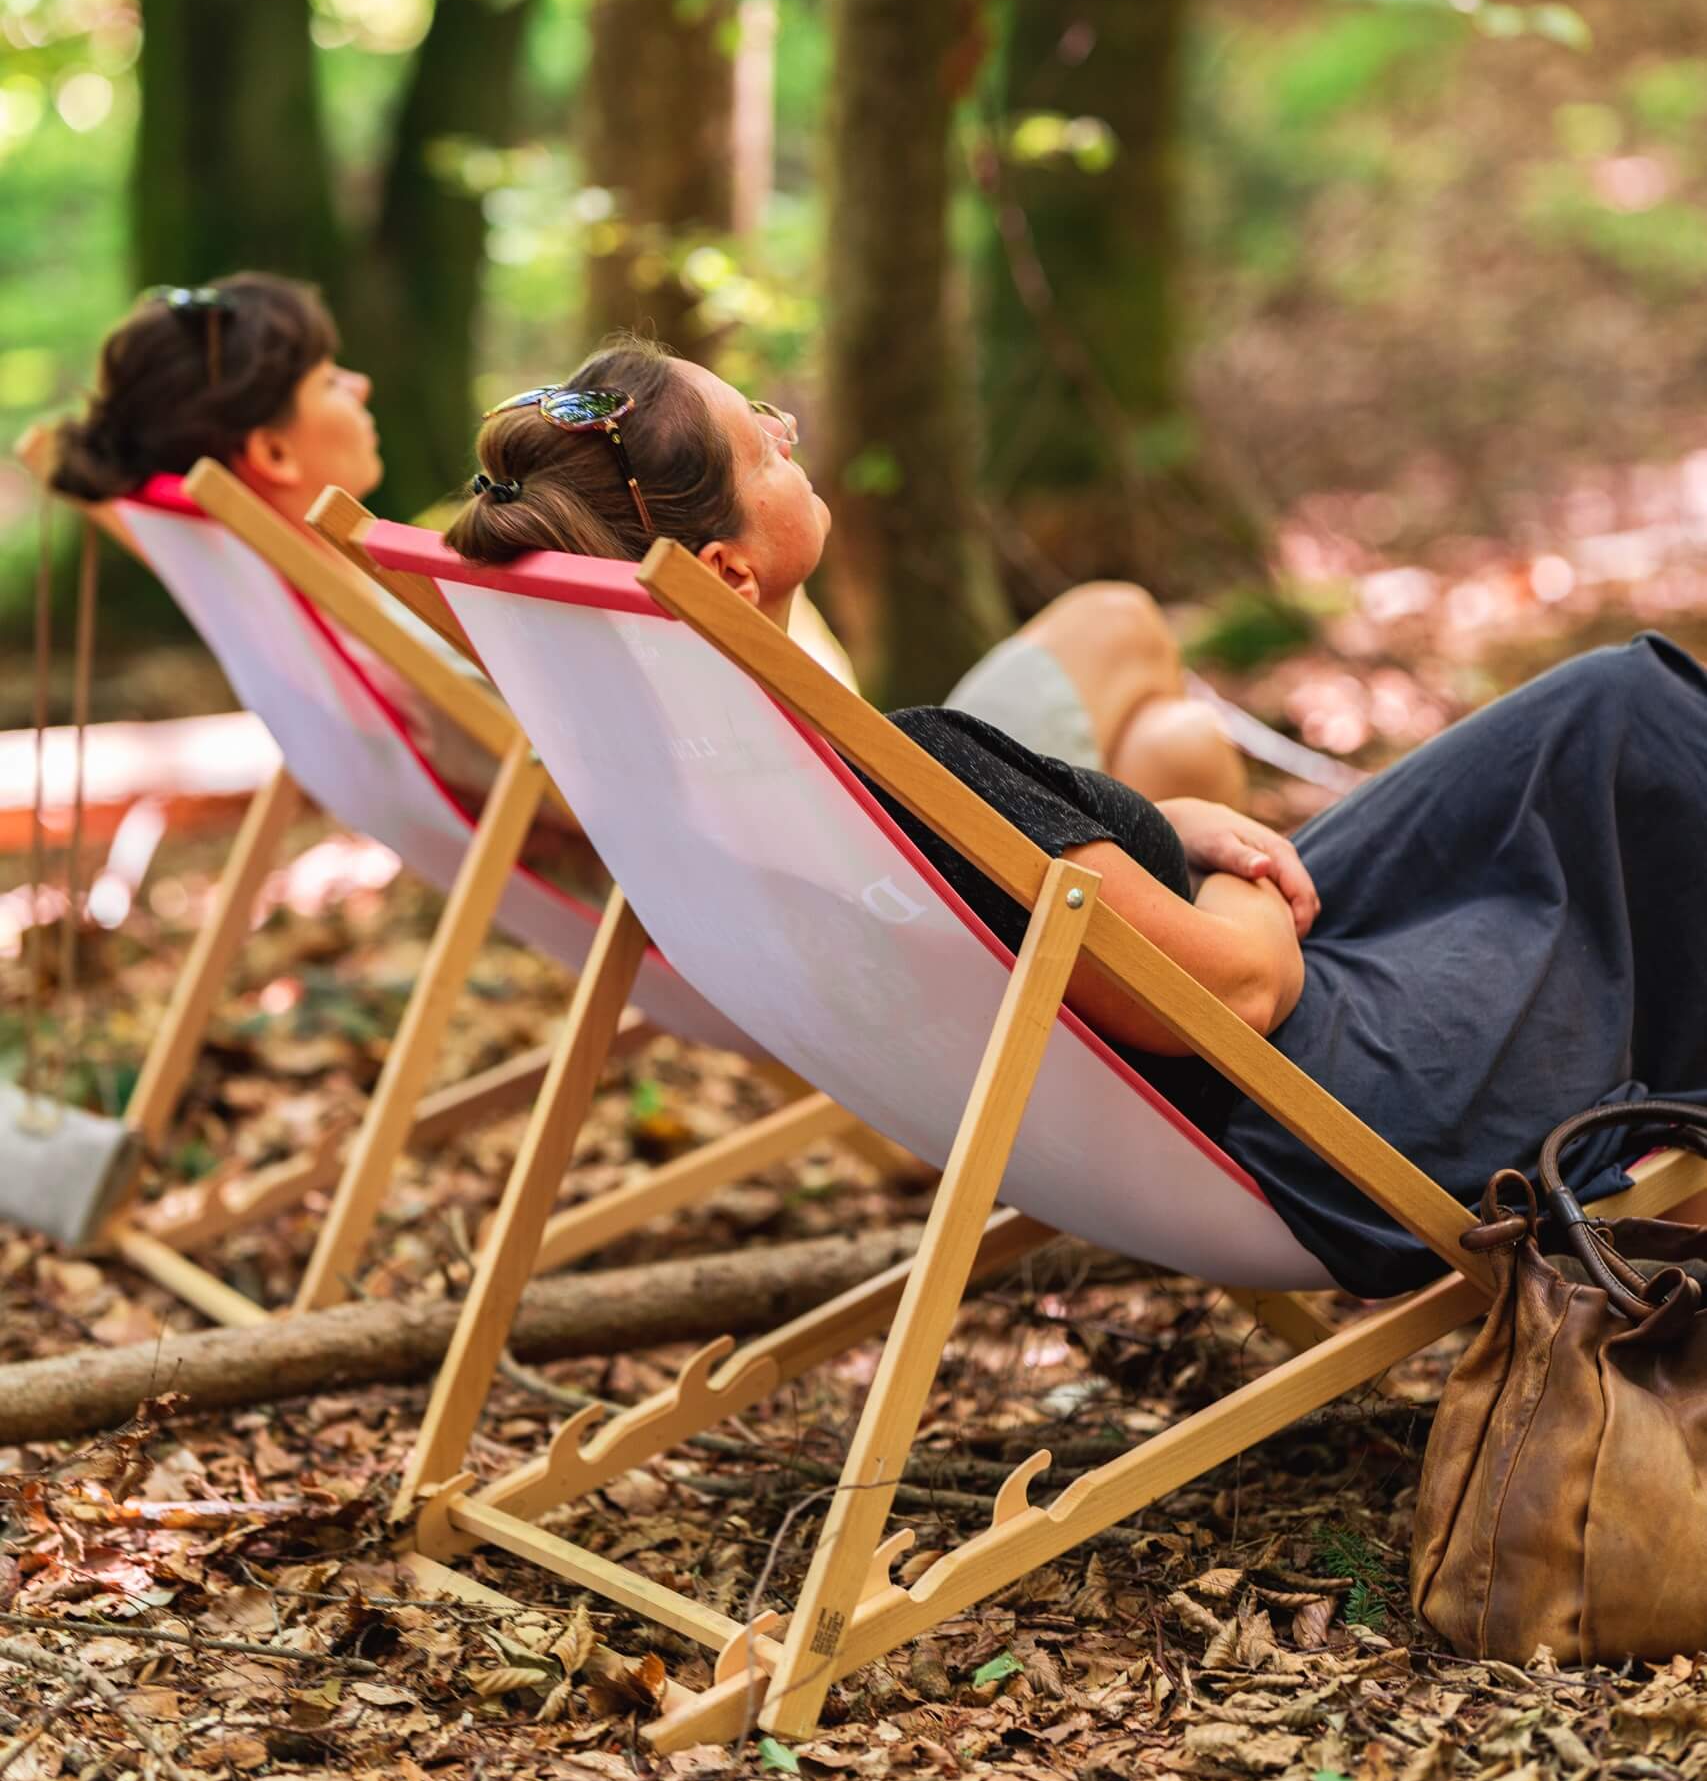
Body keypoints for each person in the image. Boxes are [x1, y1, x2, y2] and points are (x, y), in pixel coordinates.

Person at [447, 342, 1707, 1298]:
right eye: (761, 445)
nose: (787, 428)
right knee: (1637, 733)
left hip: (1188, 1079)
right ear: (723, 574)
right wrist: (1240, 887)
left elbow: (1054, 898)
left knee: (1593, 719)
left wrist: (1166, 823)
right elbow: (1234, 997)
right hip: (1333, 1107)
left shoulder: (727, 779)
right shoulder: (899, 768)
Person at [44, 279, 1245, 811]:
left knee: (1176, 751)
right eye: (325, 375)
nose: (357, 381)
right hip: (879, 852)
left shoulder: (368, 579)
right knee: (1121, 620)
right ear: (268, 454)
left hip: (793, 877)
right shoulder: (422, 586)